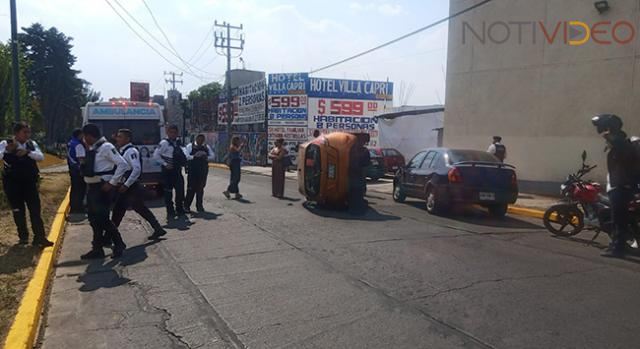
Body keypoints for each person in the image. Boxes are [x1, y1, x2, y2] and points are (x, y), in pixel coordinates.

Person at [592, 114, 640, 257]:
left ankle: (618, 249)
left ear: (609, 128)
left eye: (604, 130)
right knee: (619, 219)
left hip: (621, 187)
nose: (602, 134)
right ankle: (618, 245)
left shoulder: (621, 144)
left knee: (619, 220)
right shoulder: (621, 143)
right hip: (620, 186)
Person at [80, 123, 130, 259]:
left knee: (102, 219)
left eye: (85, 137)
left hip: (101, 189)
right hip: (93, 188)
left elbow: (123, 164)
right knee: (94, 220)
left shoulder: (106, 147)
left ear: (89, 136)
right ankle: (97, 248)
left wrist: (112, 183)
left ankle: (119, 243)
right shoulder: (93, 148)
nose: (84, 139)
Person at [0, 122, 53, 247]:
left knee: (35, 210)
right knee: (18, 211)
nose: (27, 135)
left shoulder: (31, 144)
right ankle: (23, 238)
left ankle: (39, 237)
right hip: (13, 184)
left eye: (29, 132)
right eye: (25, 132)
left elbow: (40, 157)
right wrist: (7, 150)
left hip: (29, 183)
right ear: (16, 133)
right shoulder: (5, 143)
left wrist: (27, 152)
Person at [111, 129, 167, 240]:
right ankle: (158, 229)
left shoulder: (130, 151)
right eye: (117, 136)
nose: (118, 139)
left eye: (120, 137)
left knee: (118, 211)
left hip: (130, 187)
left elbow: (136, 169)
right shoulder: (123, 150)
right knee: (139, 208)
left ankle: (109, 237)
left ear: (127, 139)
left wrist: (126, 185)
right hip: (128, 187)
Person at [153, 125, 188, 220]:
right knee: (168, 193)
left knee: (180, 192)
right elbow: (156, 156)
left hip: (177, 171)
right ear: (167, 133)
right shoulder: (164, 143)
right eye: (171, 132)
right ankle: (170, 212)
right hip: (168, 172)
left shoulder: (178, 142)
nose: (173, 134)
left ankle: (180, 209)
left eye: (175, 132)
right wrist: (165, 164)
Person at [184, 134, 214, 213]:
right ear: (196, 138)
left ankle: (199, 206)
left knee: (200, 189)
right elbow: (186, 156)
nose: (201, 140)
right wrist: (195, 156)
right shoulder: (190, 146)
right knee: (191, 189)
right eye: (199, 139)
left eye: (202, 139)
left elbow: (212, 156)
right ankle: (186, 206)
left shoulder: (206, 147)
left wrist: (205, 157)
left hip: (203, 171)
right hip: (193, 171)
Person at [348, 134, 371, 215]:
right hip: (358, 173)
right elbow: (367, 163)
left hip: (353, 173)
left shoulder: (350, 150)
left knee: (355, 189)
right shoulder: (363, 151)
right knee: (357, 189)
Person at [67, 128, 86, 217]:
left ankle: (74, 207)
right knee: (80, 189)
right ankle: (78, 208)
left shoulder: (71, 143)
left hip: (72, 169)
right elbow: (81, 159)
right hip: (78, 170)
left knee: (74, 189)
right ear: (79, 135)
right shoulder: (78, 145)